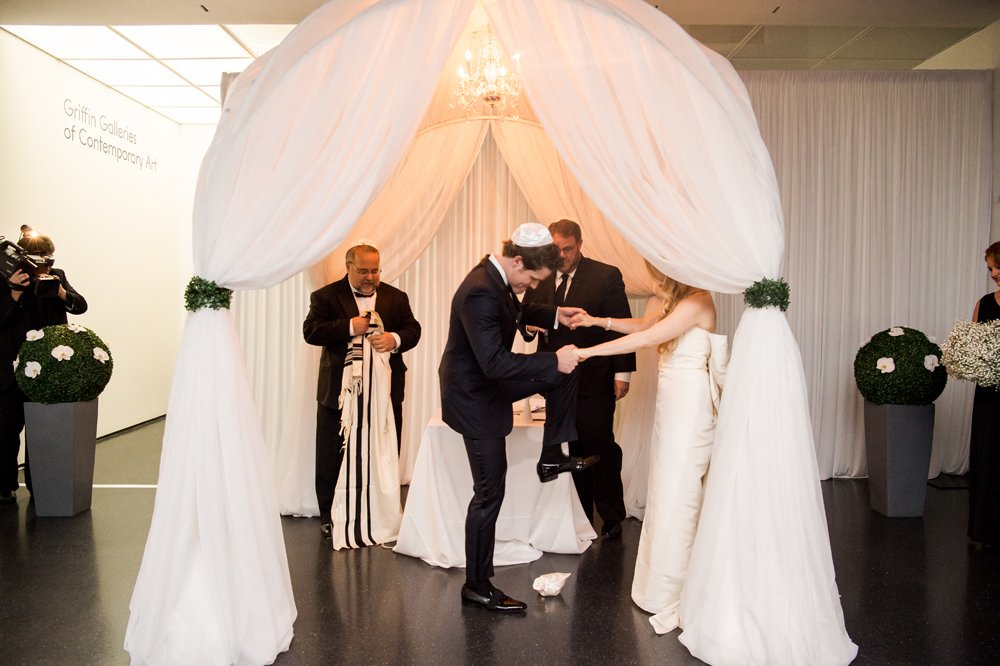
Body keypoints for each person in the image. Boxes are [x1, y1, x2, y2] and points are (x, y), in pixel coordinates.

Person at [438, 222, 596, 613]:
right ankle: (476, 584)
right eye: (529, 280)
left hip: (487, 384)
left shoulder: (499, 278)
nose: (527, 288)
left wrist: (556, 314)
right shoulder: (479, 290)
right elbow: (493, 362)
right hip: (475, 396)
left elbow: (520, 309)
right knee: (489, 494)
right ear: (518, 259)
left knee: (565, 372)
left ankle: (550, 457)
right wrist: (550, 359)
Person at [571, 263, 726, 633]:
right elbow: (642, 327)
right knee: (666, 488)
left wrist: (588, 353)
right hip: (671, 403)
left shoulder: (699, 301)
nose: (655, 277)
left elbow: (646, 339)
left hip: (691, 406)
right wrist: (596, 320)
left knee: (681, 490)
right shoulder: (673, 300)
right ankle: (664, 580)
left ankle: (680, 583)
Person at [523, 219, 635, 538]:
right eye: (554, 250)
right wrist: (532, 327)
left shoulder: (605, 275)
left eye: (567, 249)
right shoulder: (540, 277)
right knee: (569, 451)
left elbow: (621, 326)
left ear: (580, 243)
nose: (561, 256)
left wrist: (622, 372)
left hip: (595, 378)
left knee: (599, 446)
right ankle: (580, 517)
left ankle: (612, 516)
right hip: (555, 381)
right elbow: (526, 320)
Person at [303, 241, 421, 539]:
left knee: (384, 452)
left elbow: (413, 329)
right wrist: (348, 327)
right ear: (349, 267)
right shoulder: (326, 296)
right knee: (332, 454)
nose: (370, 277)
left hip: (385, 393)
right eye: (364, 271)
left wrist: (394, 339)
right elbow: (311, 331)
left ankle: (380, 511)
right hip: (339, 394)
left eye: (375, 271)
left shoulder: (396, 297)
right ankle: (331, 515)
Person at [0, 232, 88, 503]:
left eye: (50, 261)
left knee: (43, 432)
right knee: (6, 430)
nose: (46, 267)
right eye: (41, 261)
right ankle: (4, 486)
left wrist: (59, 290)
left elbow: (80, 306)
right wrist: (14, 291)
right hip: (10, 369)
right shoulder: (6, 278)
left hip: (47, 369)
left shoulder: (56, 275)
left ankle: (41, 486)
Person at [969, 240, 1000, 548]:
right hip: (990, 392)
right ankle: (986, 530)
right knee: (989, 455)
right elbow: (972, 345)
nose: (993, 274)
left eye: (997, 267)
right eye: (990, 268)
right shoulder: (985, 302)